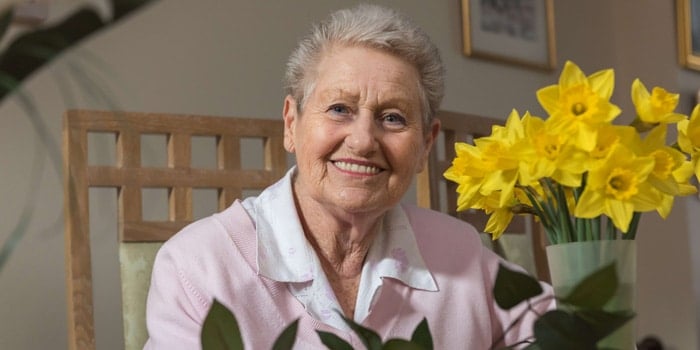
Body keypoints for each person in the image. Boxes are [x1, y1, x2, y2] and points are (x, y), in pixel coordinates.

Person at [144, 4, 552, 349]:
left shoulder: (460, 253)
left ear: (427, 144)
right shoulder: (199, 267)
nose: (362, 141)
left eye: (393, 118)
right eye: (339, 108)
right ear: (291, 123)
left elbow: (567, 331)